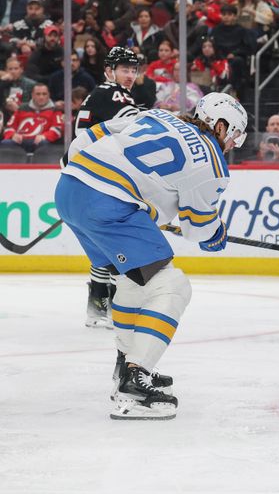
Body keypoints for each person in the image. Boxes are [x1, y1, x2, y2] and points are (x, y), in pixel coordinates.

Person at [55, 93, 247, 420]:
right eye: (233, 136)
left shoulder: (158, 115)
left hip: (69, 190)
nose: (231, 144)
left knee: (132, 283)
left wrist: (80, 172)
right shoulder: (213, 164)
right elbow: (197, 229)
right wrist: (216, 233)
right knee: (173, 287)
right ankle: (135, 377)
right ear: (220, 124)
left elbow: (87, 137)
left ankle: (126, 363)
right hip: (111, 206)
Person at [73, 47, 143, 328]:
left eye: (133, 70)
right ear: (109, 71)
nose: (129, 75)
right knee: (115, 243)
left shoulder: (98, 93)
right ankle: (115, 306)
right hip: (102, 177)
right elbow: (137, 128)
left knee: (101, 245)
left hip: (86, 174)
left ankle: (97, 307)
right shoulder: (115, 93)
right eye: (124, 69)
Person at [1, 82, 63, 153]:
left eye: (44, 94)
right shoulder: (22, 109)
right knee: (5, 143)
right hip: (20, 141)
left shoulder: (55, 110)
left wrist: (44, 136)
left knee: (44, 144)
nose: (41, 97)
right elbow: (9, 127)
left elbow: (57, 130)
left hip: (40, 142)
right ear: (32, 95)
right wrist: (13, 135)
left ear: (48, 95)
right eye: (38, 94)